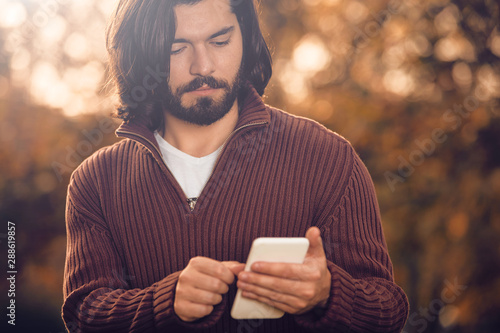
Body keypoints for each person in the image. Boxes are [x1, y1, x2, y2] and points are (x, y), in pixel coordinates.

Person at [62, 0, 409, 332]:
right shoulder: (95, 182)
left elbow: (388, 313)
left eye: (220, 40)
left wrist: (328, 295)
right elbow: (83, 316)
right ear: (141, 57)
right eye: (176, 48)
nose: (203, 66)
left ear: (246, 36)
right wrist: (162, 304)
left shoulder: (329, 158)